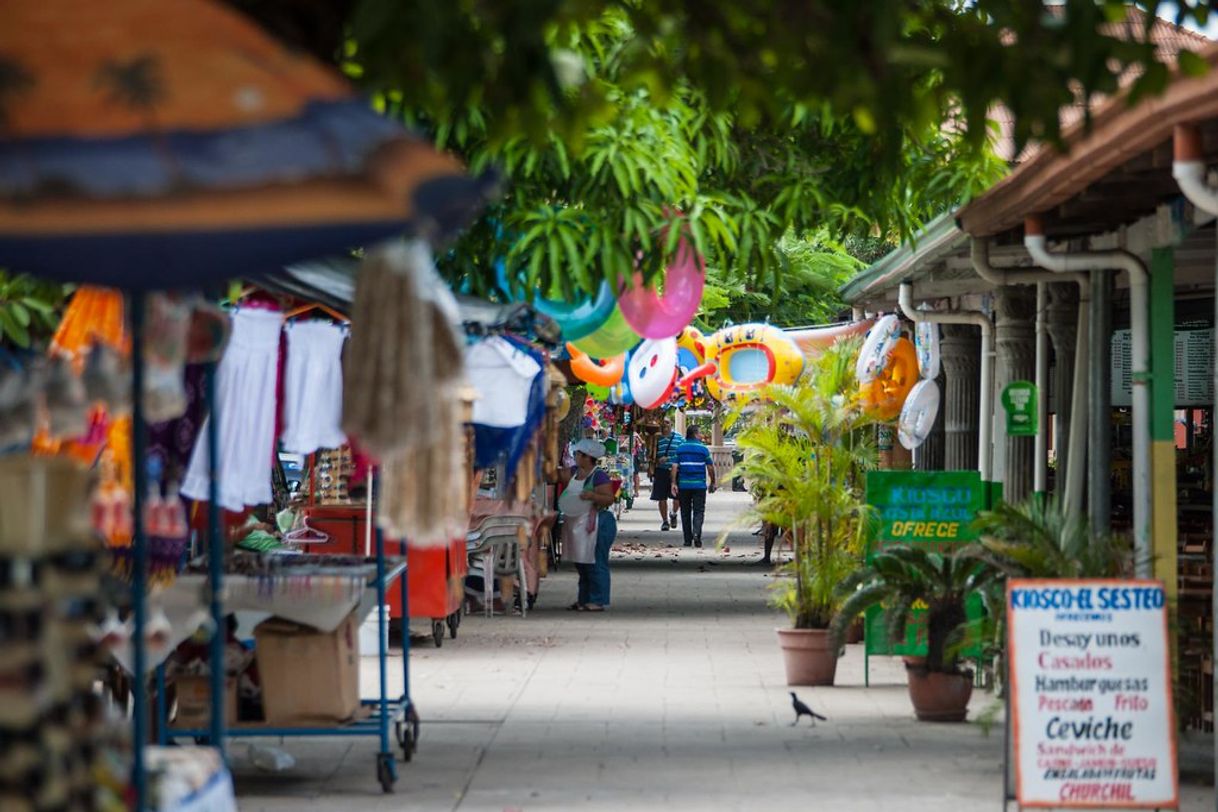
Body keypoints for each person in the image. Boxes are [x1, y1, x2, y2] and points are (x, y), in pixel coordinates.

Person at [558, 438, 617, 611]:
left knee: (595, 562)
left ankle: (597, 600)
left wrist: (592, 497)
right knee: (582, 563)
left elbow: (608, 498)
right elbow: (554, 475)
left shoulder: (599, 475)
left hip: (597, 524)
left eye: (577, 454)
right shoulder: (574, 472)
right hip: (577, 525)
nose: (575, 456)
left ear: (586, 457)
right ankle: (583, 599)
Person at [670, 424, 716, 548]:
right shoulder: (703, 449)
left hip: (684, 485)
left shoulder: (680, 449)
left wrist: (673, 483)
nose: (701, 435)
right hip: (699, 486)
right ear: (695, 434)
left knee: (685, 512)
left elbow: (674, 467)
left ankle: (687, 539)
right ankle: (697, 534)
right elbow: (710, 467)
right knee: (699, 511)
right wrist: (713, 481)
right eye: (700, 433)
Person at [651, 418, 684, 531]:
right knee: (661, 497)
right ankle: (665, 521)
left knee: (677, 497)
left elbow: (683, 453)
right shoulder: (655, 439)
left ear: (671, 424)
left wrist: (669, 458)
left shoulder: (679, 438)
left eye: (667, 423)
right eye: (663, 423)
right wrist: (656, 460)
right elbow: (650, 455)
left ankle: (674, 513)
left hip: (676, 471)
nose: (665, 425)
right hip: (661, 470)